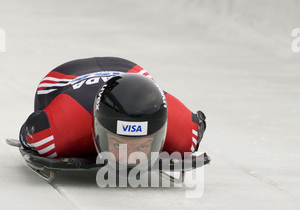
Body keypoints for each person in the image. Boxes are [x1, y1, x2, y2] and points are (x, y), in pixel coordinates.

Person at [19, 57, 207, 166]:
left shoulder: (182, 135)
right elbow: (29, 130)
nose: (130, 157)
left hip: (134, 75)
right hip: (60, 79)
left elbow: (197, 122)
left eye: (142, 146)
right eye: (119, 145)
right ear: (97, 129)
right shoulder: (57, 132)